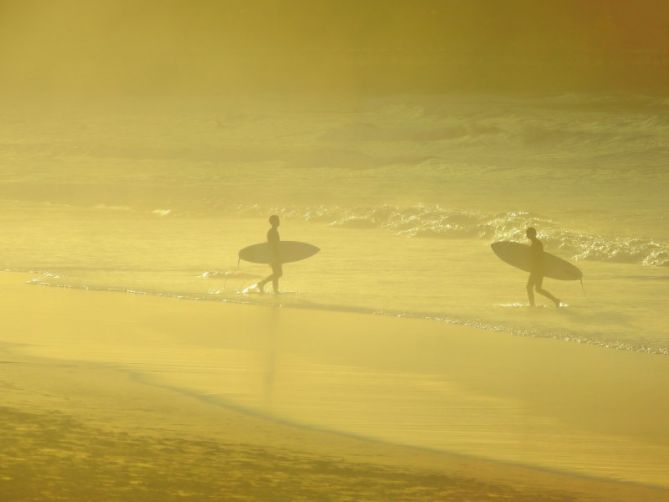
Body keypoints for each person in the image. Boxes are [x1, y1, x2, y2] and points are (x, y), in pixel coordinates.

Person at [526, 227, 561, 307]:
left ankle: (533, 305)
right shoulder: (534, 243)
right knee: (536, 288)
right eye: (527, 233)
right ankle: (555, 300)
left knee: (532, 288)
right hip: (537, 269)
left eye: (528, 233)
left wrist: (535, 268)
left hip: (537, 269)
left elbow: (538, 256)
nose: (527, 235)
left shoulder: (537, 244)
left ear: (533, 234)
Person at [256, 215, 282, 294]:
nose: (278, 222)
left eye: (278, 220)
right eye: (277, 220)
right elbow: (273, 245)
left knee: (276, 273)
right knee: (278, 273)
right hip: (274, 255)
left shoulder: (273, 231)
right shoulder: (272, 231)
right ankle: (261, 283)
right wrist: (276, 256)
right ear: (273, 222)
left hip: (273, 255)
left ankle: (275, 290)